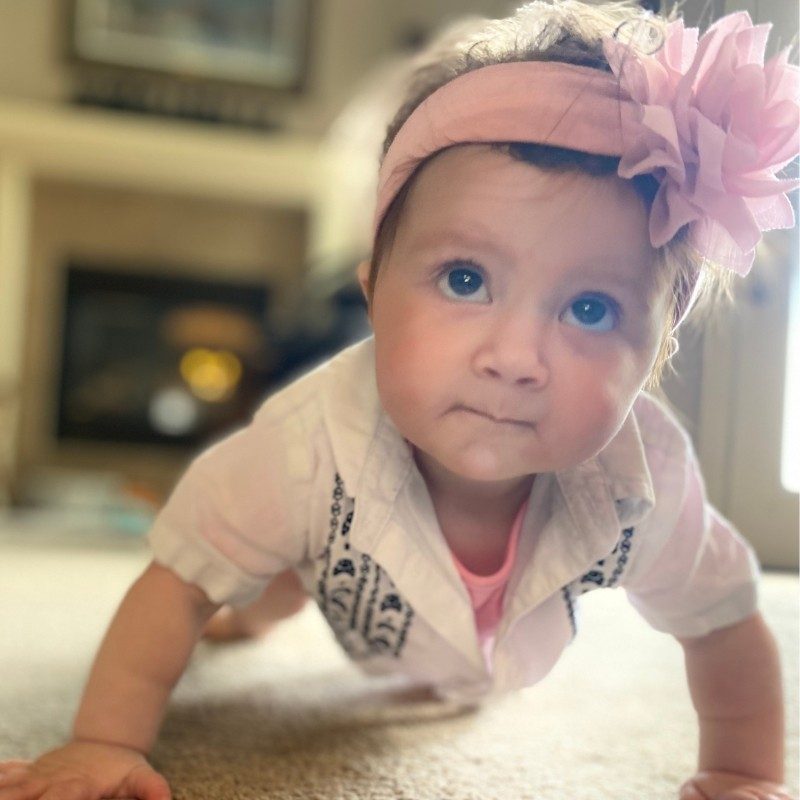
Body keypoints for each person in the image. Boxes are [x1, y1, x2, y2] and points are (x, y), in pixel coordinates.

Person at [2, 1, 798, 798]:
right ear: (373, 288)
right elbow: (178, 580)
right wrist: (103, 742)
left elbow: (724, 620)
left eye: (590, 309)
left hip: (488, 650)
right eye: (465, 279)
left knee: (284, 541)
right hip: (337, 559)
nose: (515, 359)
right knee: (264, 564)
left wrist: (742, 775)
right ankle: (258, 610)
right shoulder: (304, 443)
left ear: (659, 350)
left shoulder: (644, 479)